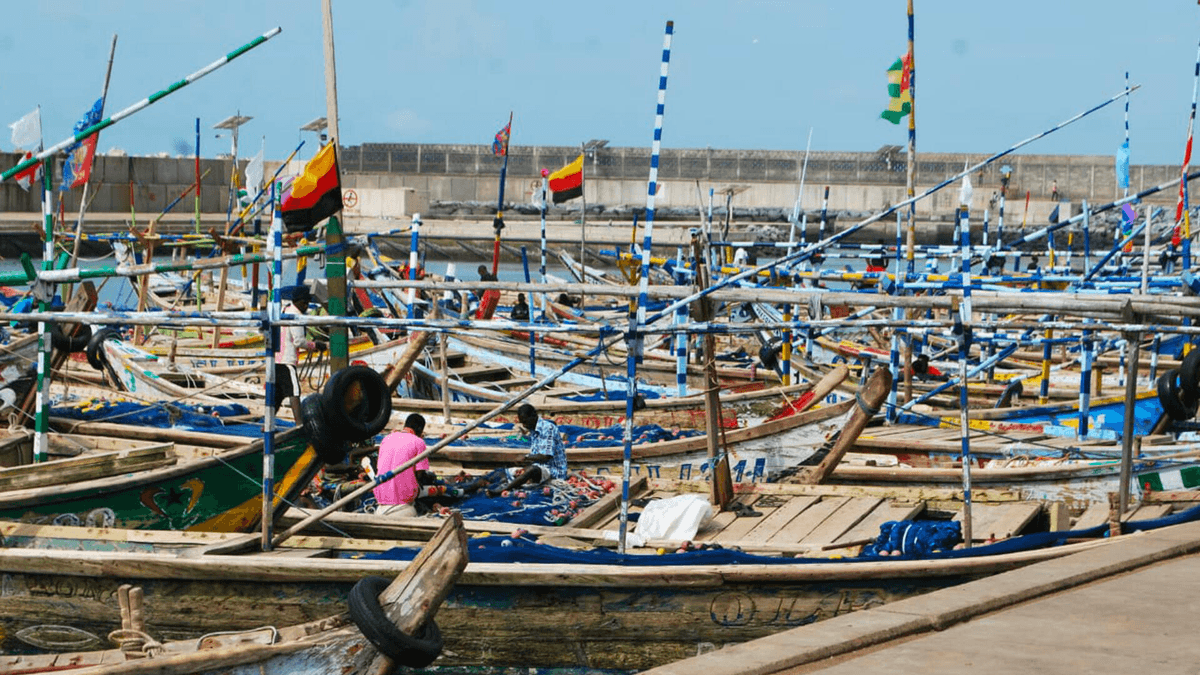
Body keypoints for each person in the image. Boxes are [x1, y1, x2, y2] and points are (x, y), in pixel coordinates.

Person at [487, 404, 567, 496]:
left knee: (532, 470)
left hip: (554, 472)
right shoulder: (533, 429)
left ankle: (504, 489)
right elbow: (536, 458)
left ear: (533, 416)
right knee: (506, 470)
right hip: (541, 468)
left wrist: (526, 458)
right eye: (522, 423)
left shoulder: (548, 428)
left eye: (525, 422)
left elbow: (546, 456)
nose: (524, 425)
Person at [373, 413, 435, 517]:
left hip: (380, 495)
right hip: (404, 499)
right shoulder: (418, 442)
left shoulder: (386, 439)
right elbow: (419, 474)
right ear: (420, 429)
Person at [275, 284, 316, 415]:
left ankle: (267, 423)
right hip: (287, 359)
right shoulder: (295, 316)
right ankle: (299, 424)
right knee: (295, 391)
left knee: (278, 394)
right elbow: (299, 341)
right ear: (301, 302)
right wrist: (314, 346)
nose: (306, 307)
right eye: (306, 303)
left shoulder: (284, 310)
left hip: (276, 358)